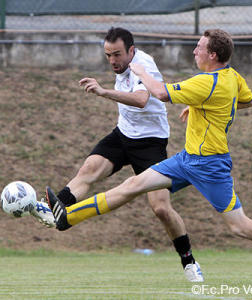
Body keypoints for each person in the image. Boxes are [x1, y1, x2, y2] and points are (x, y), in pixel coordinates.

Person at [46, 28, 252, 278]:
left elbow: (159, 93)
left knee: (240, 226)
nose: (194, 51)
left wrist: (142, 72)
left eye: (199, 47)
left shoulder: (206, 82)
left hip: (210, 165)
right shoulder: (232, 77)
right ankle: (67, 218)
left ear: (212, 55)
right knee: (132, 185)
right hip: (186, 159)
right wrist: (203, 105)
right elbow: (247, 100)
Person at [38, 27, 203, 282]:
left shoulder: (143, 64)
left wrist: (103, 92)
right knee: (88, 170)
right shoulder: (120, 63)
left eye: (117, 54)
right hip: (123, 134)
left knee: (160, 208)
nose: (113, 61)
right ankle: (51, 211)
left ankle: (188, 260)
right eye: (108, 55)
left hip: (150, 143)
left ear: (131, 51)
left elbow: (140, 100)